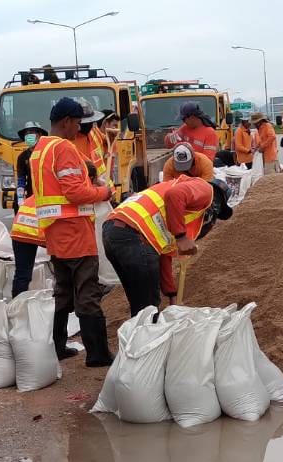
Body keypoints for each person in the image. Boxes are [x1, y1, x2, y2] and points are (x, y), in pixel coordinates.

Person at [28, 96, 114, 366]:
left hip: (55, 233)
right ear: (65, 122)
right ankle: (98, 354)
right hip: (76, 232)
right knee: (87, 293)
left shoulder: (40, 149)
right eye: (77, 123)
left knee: (63, 293)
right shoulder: (63, 148)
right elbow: (75, 192)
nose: (79, 129)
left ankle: (57, 346)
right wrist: (104, 193)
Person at [103, 174, 215, 318]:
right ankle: (147, 331)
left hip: (114, 231)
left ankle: (140, 330)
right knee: (148, 308)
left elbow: (164, 255)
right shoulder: (205, 190)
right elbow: (174, 194)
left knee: (141, 305)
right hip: (134, 233)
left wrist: (171, 294)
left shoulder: (174, 211)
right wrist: (181, 236)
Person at [9, 122, 46, 298]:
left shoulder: (46, 154)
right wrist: (21, 198)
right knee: (23, 270)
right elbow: (21, 179)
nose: (30, 135)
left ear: (40, 135)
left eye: (33, 132)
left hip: (46, 201)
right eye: (27, 133)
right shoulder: (23, 157)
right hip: (30, 202)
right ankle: (17, 301)